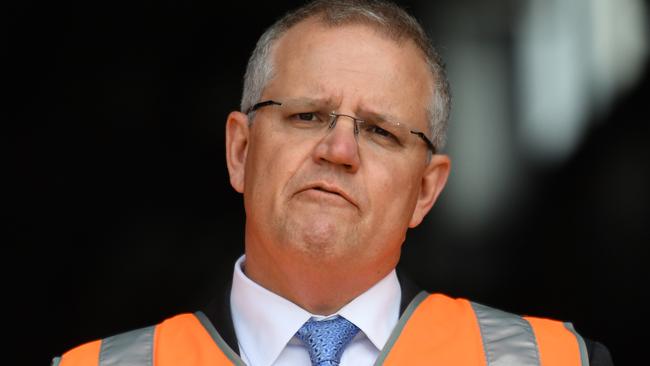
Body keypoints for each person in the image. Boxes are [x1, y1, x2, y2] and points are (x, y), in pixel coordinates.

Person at [52, 0, 614, 365]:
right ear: (240, 150)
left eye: (380, 131)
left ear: (425, 190)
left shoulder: (553, 359)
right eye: (307, 116)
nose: (339, 150)